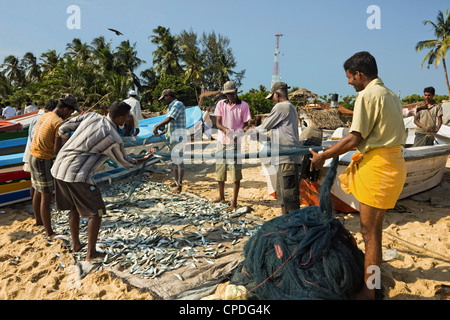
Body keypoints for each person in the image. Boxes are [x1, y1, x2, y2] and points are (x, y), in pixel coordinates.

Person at [309, 51, 407, 300]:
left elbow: (355, 138)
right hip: (393, 164)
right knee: (374, 232)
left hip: (378, 167)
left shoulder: (367, 95)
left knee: (370, 234)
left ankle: (369, 292)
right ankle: (372, 285)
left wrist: (324, 155)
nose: (349, 82)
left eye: (349, 77)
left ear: (359, 74)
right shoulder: (390, 95)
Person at [51, 101, 153, 262]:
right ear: (119, 117)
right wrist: (145, 158)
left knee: (74, 208)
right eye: (126, 117)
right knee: (96, 212)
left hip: (58, 168)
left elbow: (63, 128)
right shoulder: (112, 137)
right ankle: (91, 253)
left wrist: (69, 146)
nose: (127, 120)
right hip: (77, 175)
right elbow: (126, 162)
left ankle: (76, 245)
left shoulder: (91, 116)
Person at [29, 94, 80, 237]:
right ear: (65, 109)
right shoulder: (58, 123)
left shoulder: (46, 115)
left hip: (33, 155)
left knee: (37, 190)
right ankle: (49, 231)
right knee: (47, 196)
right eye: (70, 112)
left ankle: (38, 221)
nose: (70, 114)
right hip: (42, 159)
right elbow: (58, 149)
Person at [251, 82, 302, 215]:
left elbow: (264, 126)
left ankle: (293, 226)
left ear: (277, 94)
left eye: (272, 98)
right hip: (283, 157)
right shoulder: (290, 107)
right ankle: (285, 221)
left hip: (287, 158)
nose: (272, 101)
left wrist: (248, 132)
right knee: (282, 196)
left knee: (289, 197)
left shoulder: (282, 106)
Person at [213, 81, 251, 210]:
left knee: (235, 171)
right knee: (220, 169)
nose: (229, 96)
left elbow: (246, 124)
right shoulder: (220, 104)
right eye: (227, 94)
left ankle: (234, 201)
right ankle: (221, 196)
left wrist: (239, 133)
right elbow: (218, 123)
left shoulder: (244, 105)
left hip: (235, 142)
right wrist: (225, 130)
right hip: (221, 140)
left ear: (236, 91)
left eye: (231, 93)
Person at [23, 99, 57, 220]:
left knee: (36, 187)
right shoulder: (44, 118)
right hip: (37, 156)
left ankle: (37, 216)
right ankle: (39, 219)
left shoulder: (39, 117)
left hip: (33, 155)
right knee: (41, 191)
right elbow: (37, 140)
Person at [153, 89, 186, 193]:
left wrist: (157, 125)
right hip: (172, 138)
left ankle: (179, 186)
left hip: (178, 138)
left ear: (169, 96)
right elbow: (169, 125)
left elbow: (170, 119)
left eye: (164, 98)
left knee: (179, 162)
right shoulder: (170, 107)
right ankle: (175, 181)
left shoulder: (177, 104)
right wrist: (162, 133)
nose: (163, 100)